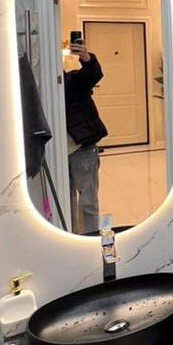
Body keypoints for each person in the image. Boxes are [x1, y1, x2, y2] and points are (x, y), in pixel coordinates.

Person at [64, 41, 108, 235]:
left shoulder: (72, 81)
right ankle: (71, 238)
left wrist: (86, 57)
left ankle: (90, 239)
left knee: (87, 202)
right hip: (55, 152)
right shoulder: (42, 91)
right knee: (65, 202)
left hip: (82, 148)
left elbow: (93, 74)